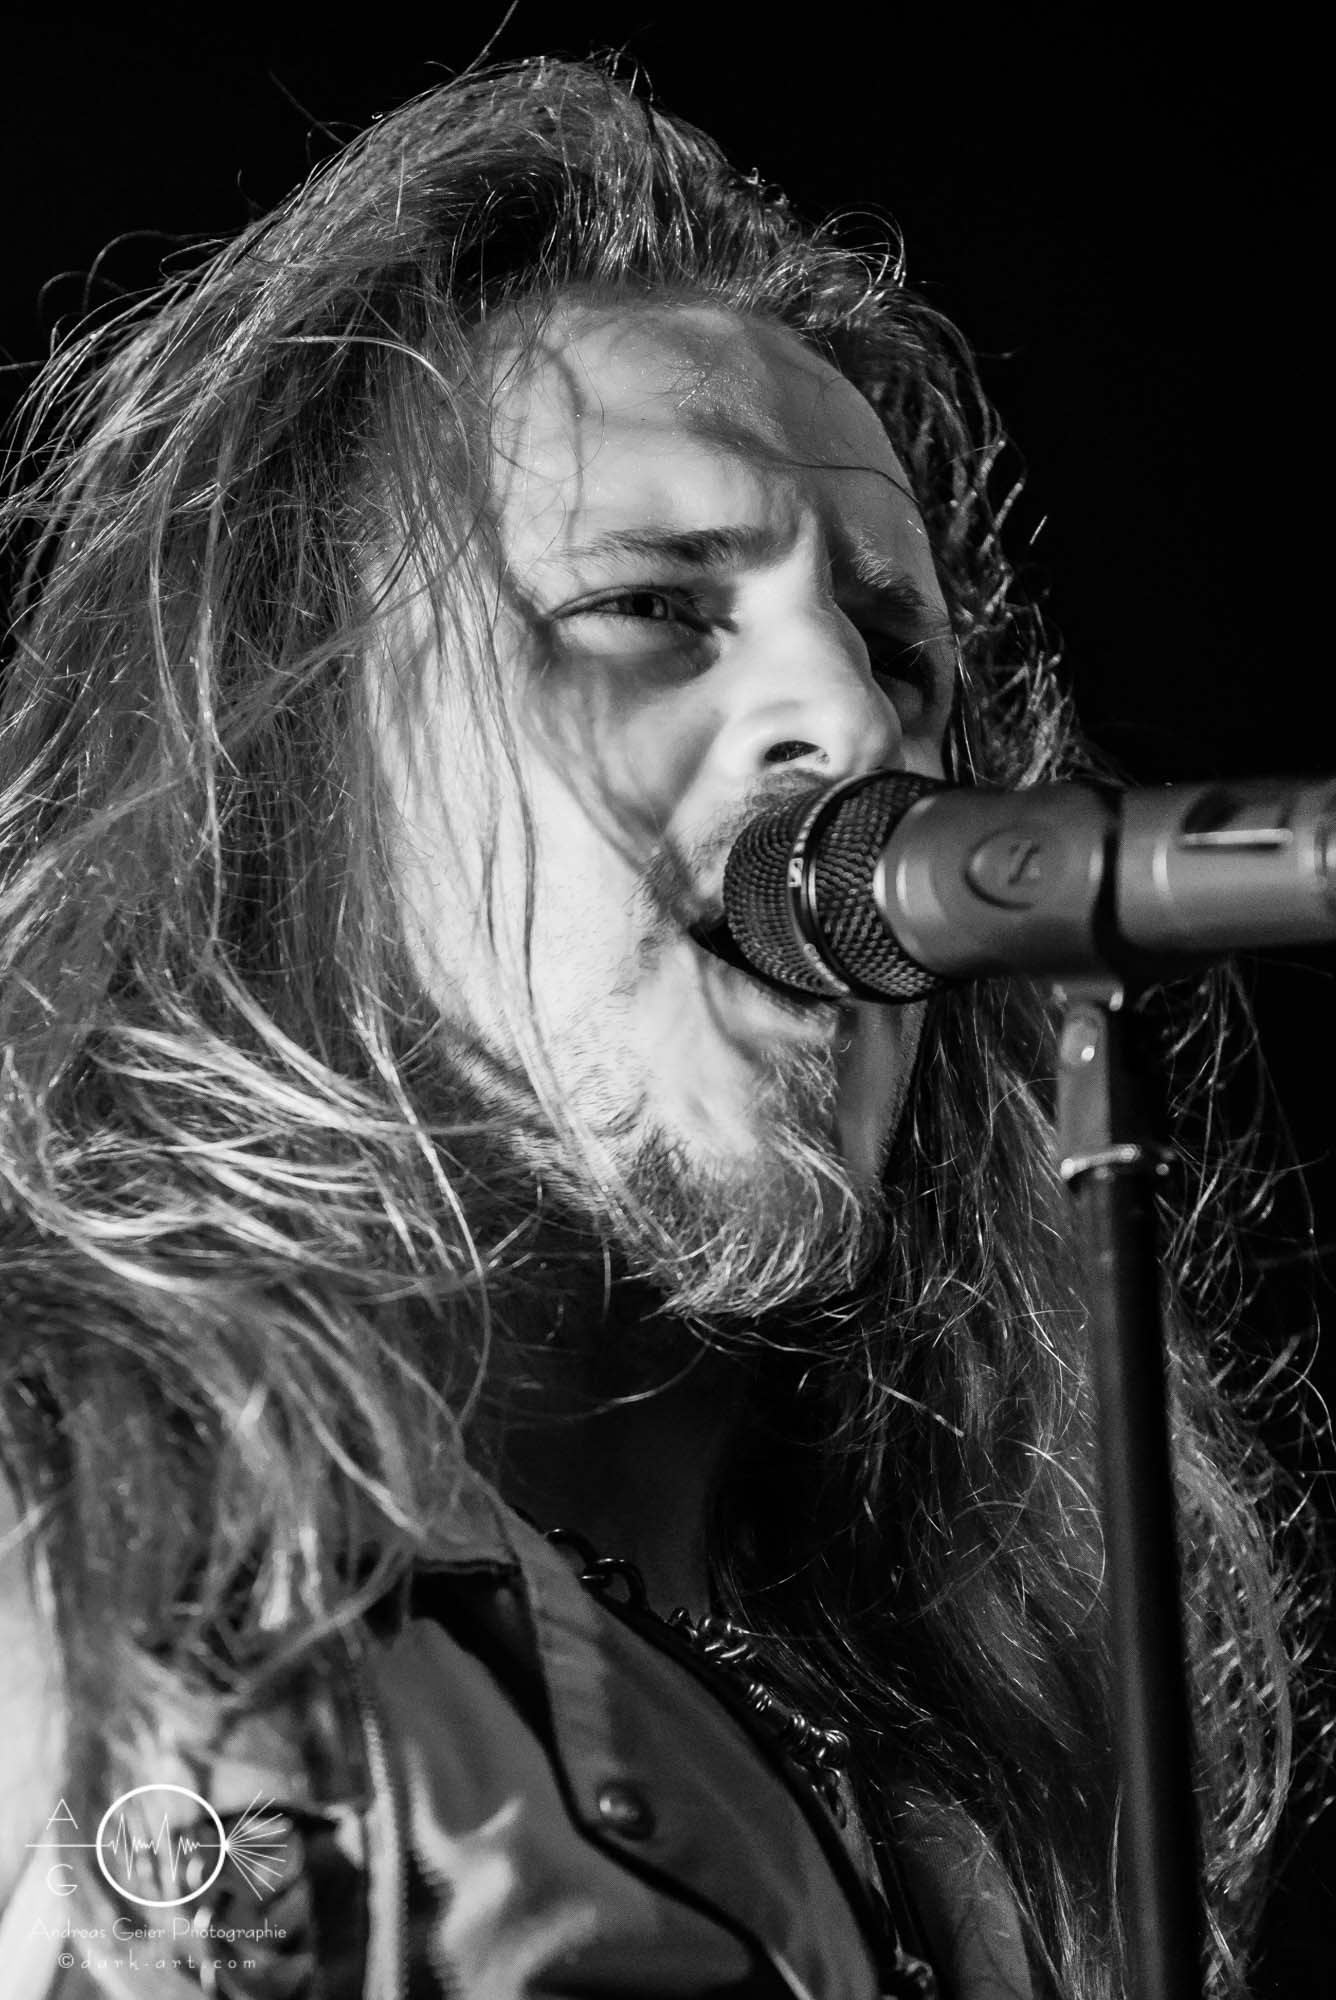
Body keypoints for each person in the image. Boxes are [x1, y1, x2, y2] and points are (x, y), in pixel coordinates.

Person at [0, 56, 1315, 2000]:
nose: (852, 724)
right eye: (651, 606)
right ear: (298, 767)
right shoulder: (83, 1539)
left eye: (895, 650)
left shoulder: (962, 1792)